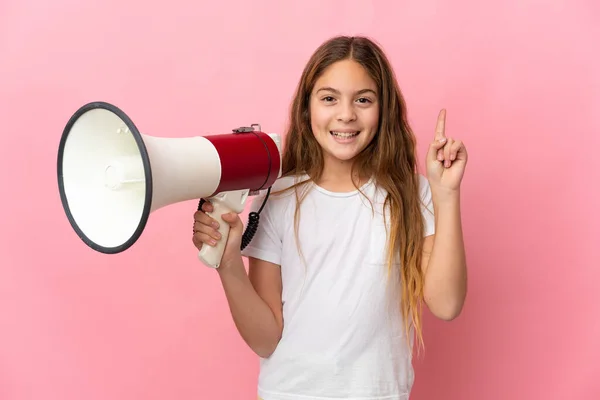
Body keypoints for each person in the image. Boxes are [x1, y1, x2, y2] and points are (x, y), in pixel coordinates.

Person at [192, 35, 468, 400]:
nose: (346, 114)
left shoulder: (412, 195)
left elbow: (446, 304)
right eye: (329, 98)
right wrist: (228, 265)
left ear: (383, 110)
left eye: (363, 100)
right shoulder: (277, 197)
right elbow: (265, 339)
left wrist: (446, 195)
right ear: (307, 109)